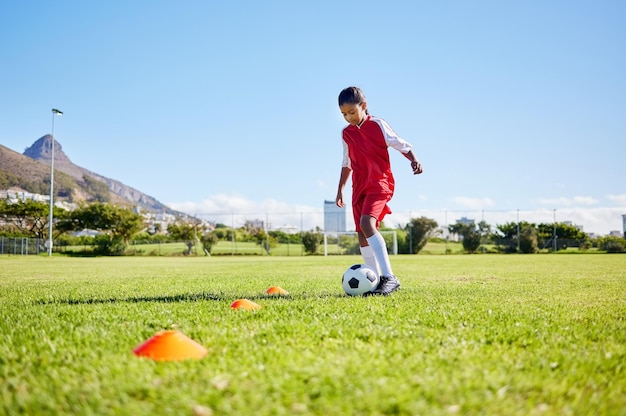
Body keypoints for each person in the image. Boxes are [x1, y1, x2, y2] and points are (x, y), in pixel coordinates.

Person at [335, 86, 423, 296]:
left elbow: (400, 144)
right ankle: (373, 280)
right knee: (361, 233)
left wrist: (414, 160)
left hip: (379, 183)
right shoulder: (346, 134)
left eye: (352, 112)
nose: (348, 117)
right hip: (359, 186)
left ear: (363, 106)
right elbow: (347, 162)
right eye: (344, 114)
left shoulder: (377, 125)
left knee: (368, 223)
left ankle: (389, 277)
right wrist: (341, 189)